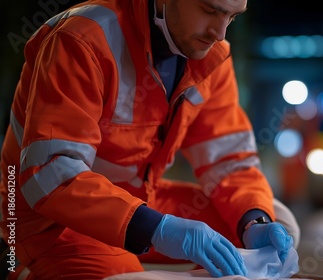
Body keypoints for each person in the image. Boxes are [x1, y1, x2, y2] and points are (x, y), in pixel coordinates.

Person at [0, 0, 300, 279]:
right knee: (126, 276)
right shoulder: (83, 38)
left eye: (232, 17)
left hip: (136, 201)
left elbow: (230, 161)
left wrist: (254, 222)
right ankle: (20, 263)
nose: (219, 32)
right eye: (210, 11)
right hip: (50, 221)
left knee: (278, 227)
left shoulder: (210, 55)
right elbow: (52, 172)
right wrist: (154, 227)